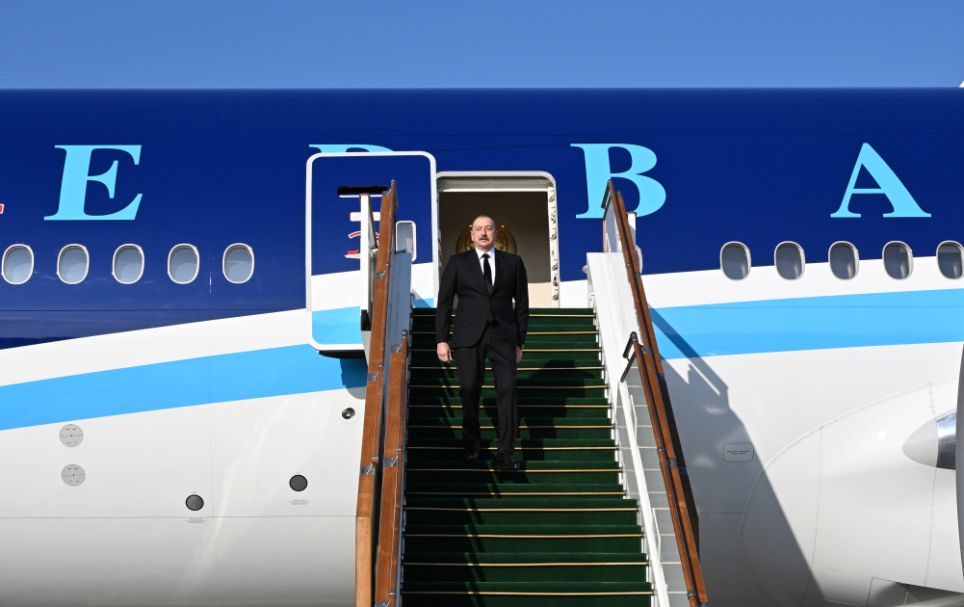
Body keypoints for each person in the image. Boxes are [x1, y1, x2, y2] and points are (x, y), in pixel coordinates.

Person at [435, 215, 529, 471]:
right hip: (468, 336)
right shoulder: (457, 262)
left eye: (488, 228)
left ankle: (506, 454)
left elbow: (522, 304)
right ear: (472, 234)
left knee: (508, 390)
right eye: (478, 229)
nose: (483, 233)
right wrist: (442, 339)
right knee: (468, 388)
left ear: (496, 233)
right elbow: (444, 303)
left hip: (503, 337)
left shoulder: (513, 263)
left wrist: (519, 341)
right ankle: (472, 446)